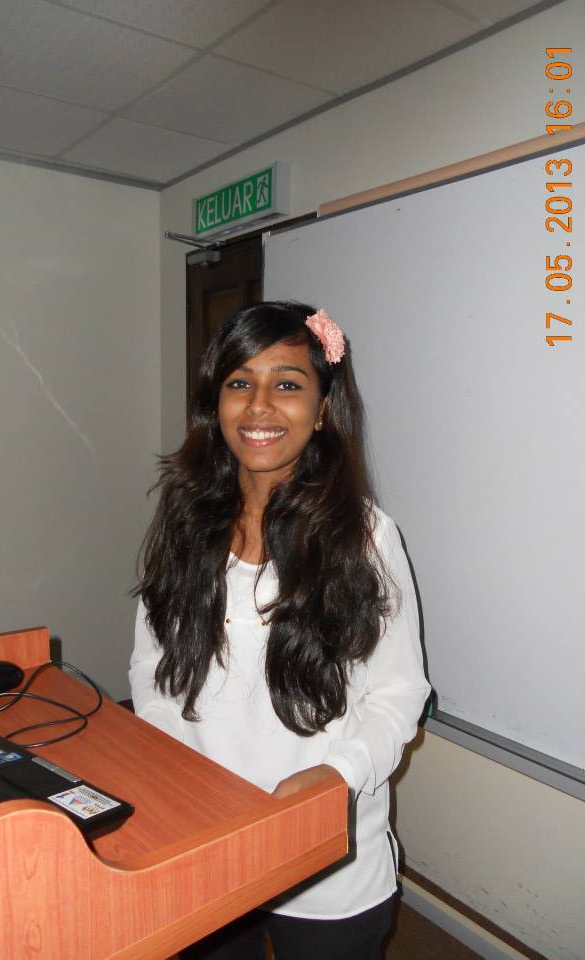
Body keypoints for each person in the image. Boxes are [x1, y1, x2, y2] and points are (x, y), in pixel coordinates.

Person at [129, 301, 430, 959]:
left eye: (287, 383)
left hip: (326, 857)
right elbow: (152, 668)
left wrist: (336, 776)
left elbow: (399, 693)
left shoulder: (366, 537)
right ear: (215, 405)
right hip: (205, 842)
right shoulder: (185, 523)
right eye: (240, 382)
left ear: (322, 408)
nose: (259, 405)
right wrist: (169, 767)